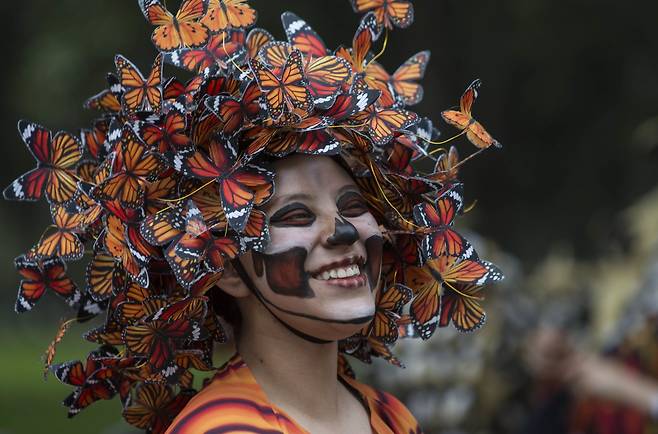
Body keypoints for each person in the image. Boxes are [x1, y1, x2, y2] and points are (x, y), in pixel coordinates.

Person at [3, 1, 504, 433]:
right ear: (223, 267)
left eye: (354, 207)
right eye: (296, 215)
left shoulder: (392, 419)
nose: (346, 231)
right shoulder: (221, 429)